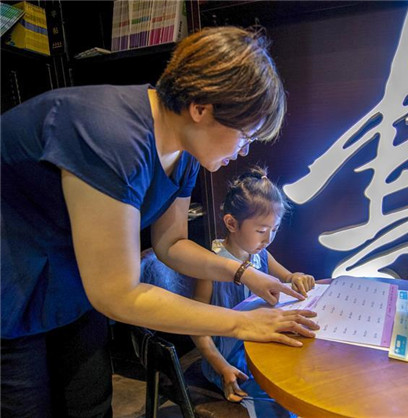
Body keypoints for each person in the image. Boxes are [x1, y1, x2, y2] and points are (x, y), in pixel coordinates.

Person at [1, 27, 319, 418]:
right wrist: (241, 324)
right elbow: (118, 294)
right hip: (11, 281)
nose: (243, 151)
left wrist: (245, 274)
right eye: (244, 135)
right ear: (201, 108)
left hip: (72, 280)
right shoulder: (110, 134)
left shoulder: (184, 151)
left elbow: (171, 244)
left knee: (90, 405)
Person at [192, 167, 316, 417]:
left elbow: (288, 277)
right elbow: (197, 327)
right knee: (277, 395)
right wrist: (222, 367)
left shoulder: (259, 255)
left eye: (275, 229)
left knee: (304, 375)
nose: (268, 239)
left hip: (260, 340)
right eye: (261, 231)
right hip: (228, 358)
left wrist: (297, 277)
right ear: (231, 223)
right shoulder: (211, 267)